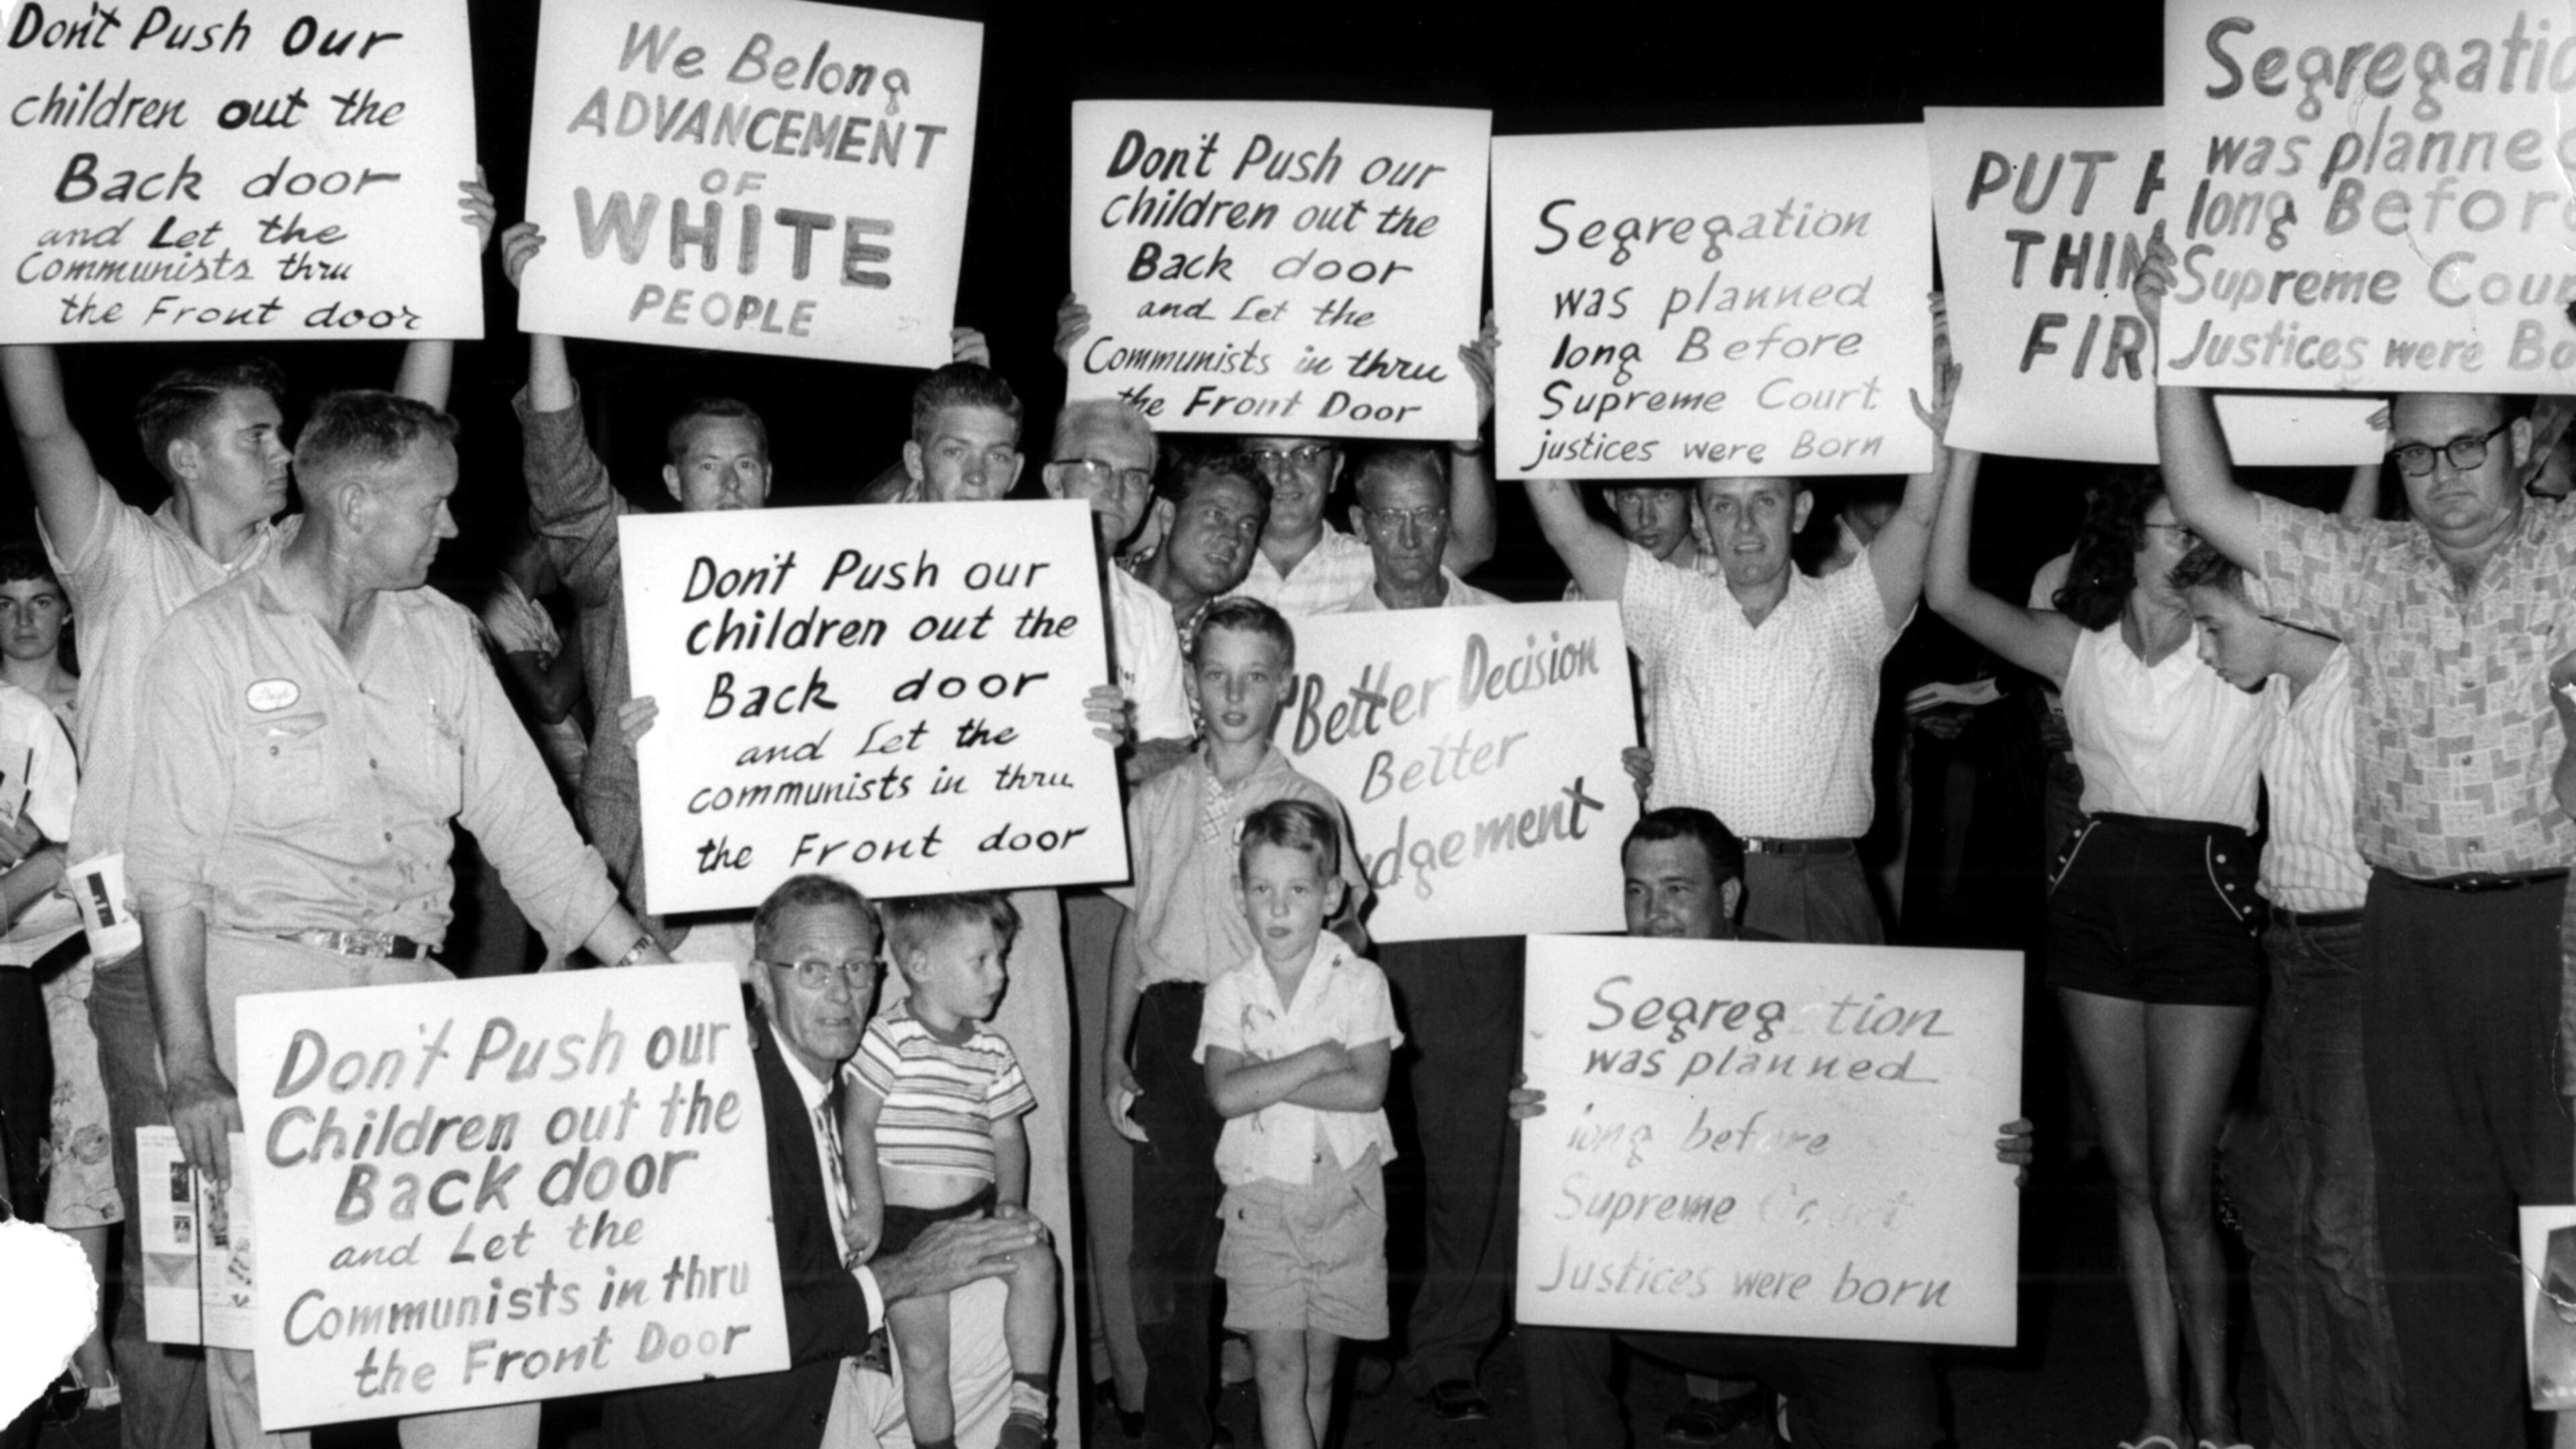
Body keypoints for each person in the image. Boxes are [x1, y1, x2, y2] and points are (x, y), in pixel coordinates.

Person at [2, 178, 490, 1449]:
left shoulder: (307, 571)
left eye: (287, 439)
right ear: (184, 456)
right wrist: (16, 263)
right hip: (157, 965)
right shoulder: (118, 557)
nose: (286, 452)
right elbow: (45, 423)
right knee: (197, 1282)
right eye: (263, 434)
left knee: (326, 1264)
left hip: (300, 954)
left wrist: (450, 265)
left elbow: (402, 439)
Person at [121, 389, 673, 1449]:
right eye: (438, 506)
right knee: (268, 1350)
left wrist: (647, 967)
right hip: (259, 1007)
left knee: (482, 1315)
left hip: (416, 1009)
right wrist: (191, 1067)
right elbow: (168, 875)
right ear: (361, 505)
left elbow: (534, 836)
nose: (454, 528)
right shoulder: (206, 646)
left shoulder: (443, 636)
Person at [2139, 235, 2576, 1449]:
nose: (2442, 477)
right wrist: (2178, 348)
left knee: (2569, 1234)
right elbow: (2214, 501)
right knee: (2432, 1242)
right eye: (2418, 450)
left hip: (2555, 929)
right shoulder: (2371, 570)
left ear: (2525, 441)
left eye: (2468, 446)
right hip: (2408, 933)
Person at [1923, 446, 2268, 1448]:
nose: (2187, 546)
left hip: (2206, 908)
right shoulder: (2078, 650)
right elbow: (1947, 592)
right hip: (2094, 905)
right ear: (2129, 536)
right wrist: (1966, 445)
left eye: (2203, 528)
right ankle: (2161, 1408)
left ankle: (2218, 1411)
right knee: (2127, 1180)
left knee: (2179, 1184)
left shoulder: (2251, 639)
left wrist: (2366, 462)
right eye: (2168, 528)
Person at [1515, 807, 2031, 1449]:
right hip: (1661, 1285)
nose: (1653, 913)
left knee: (1896, 1431)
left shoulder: (1813, 987)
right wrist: (1536, 1124)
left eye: (1678, 890)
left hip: (1807, 1297)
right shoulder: (1587, 998)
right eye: (1636, 891)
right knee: (1547, 1281)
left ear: (1728, 895)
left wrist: (1987, 1144)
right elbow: (1560, 1181)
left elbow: (1904, 1130)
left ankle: (1802, 1413)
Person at [1520, 305, 1955, 944]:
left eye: (1765, 501)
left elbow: (1917, 519)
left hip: (1820, 885)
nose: (1745, 527)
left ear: (1801, 510)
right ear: (1701, 521)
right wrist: (1523, 396)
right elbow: (1567, 528)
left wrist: (1937, 436)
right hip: (1693, 894)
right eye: (1724, 505)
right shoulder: (1667, 607)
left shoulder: (1854, 609)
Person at [604, 873, 1043, 1449]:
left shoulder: (850, 1083)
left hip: (834, 1361)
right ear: (762, 980)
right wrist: (906, 1274)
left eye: (858, 968)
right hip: (742, 1413)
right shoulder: (721, 1100)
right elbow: (739, 1325)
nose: (841, 993)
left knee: (1004, 1294)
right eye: (813, 970)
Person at [1104, 598, 1367, 1449]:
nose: (1234, 693)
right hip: (1175, 1029)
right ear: (1191, 681)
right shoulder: (1156, 798)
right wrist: (1116, 1053)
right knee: (1168, 1255)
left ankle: (1288, 1430)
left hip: (1276, 1036)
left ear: (1284, 687)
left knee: (1276, 1248)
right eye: (1216, 674)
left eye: (1255, 677)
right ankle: (1179, 1430)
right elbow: (1131, 933)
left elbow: (1351, 931)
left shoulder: (1310, 800)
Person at [2175, 545, 2402, 1448]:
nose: (2203, 647)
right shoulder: (2270, 689)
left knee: (2345, 1236)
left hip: (2359, 957)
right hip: (2281, 954)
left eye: (2213, 624)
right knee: (2273, 1222)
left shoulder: (2370, 689)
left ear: (2274, 603)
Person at [500, 221, 771, 955]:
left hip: (774, 875)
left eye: (746, 466)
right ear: (675, 481)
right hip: (643, 880)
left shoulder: (814, 577)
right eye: (709, 467)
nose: (731, 484)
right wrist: (546, 315)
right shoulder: (630, 559)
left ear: (769, 479)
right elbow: (563, 474)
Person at [1318, 445, 1519, 1417]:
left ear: (1450, 519)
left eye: (1427, 515)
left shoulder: (1516, 636)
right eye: (1389, 516)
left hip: (1475, 926)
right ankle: (1342, 1332)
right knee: (1350, 1148)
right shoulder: (1317, 645)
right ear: (1357, 521)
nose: (1409, 537)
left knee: (1472, 1144)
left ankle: (1453, 1344)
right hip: (1357, 932)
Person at [1051, 297, 1497, 618]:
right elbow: (1107, 505)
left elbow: (1470, 546)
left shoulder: (1373, 558)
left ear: (1336, 468)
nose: (1285, 474)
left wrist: (1466, 433)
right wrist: (1094, 374)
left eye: (1305, 454)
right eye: (1267, 455)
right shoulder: (1204, 547)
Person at [1199, 799, 1401, 1449]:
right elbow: (1227, 1096)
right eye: (1262, 889)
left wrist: (1269, 1078)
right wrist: (1316, 1058)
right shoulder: (1229, 992)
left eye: (1297, 890)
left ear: (1332, 893)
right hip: (1262, 1204)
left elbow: (1367, 1088)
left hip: (1347, 1201)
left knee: (1317, 1377)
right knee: (1277, 1374)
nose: (1279, 908)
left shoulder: (1362, 982)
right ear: (1241, 895)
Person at [843, 892, 1059, 1449]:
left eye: (1002, 958)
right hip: (902, 1228)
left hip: (976, 1214)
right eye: (982, 960)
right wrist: (867, 1207)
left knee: (1037, 1261)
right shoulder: (886, 1038)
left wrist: (1011, 1202)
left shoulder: (993, 1050)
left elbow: (1009, 1136)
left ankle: (1029, 1413)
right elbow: (858, 1127)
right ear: (921, 966)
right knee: (923, 1354)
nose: (1000, 975)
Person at [1132, 451, 1269, 658]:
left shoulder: (1225, 653)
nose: (1233, 538)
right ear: (1168, 515)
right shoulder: (1093, 589)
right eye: (1216, 515)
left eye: (1247, 526)